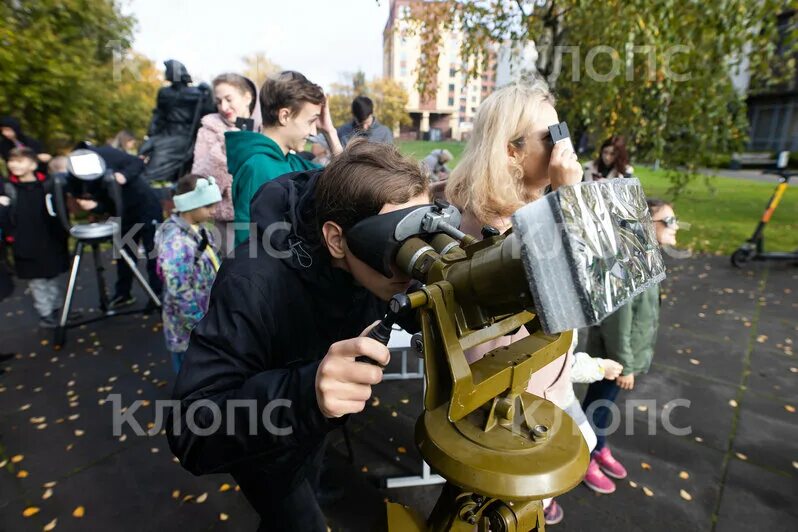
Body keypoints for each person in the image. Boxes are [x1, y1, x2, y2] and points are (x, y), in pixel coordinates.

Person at [167, 140, 428, 531]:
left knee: (308, 477)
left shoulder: (371, 269)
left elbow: (398, 305)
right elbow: (191, 427)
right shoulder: (253, 281)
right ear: (337, 239)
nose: (412, 259)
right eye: (395, 241)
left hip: (312, 430)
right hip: (265, 451)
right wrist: (306, 395)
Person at [445, 79, 583, 524]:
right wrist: (569, 201)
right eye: (550, 137)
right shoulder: (494, 227)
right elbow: (569, 294)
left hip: (536, 385)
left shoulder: (526, 207)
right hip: (507, 400)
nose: (563, 146)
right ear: (511, 151)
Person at [580, 198, 678, 495]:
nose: (676, 227)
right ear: (646, 225)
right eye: (669, 221)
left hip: (623, 357)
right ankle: (584, 455)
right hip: (615, 359)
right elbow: (617, 322)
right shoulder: (630, 264)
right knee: (597, 408)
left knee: (604, 406)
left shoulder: (646, 258)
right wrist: (625, 365)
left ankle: (598, 446)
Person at [227, 70, 343, 247]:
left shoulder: (292, 161)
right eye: (310, 121)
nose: (313, 132)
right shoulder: (257, 167)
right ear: (285, 116)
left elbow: (346, 180)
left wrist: (330, 132)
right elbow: (248, 246)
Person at [71, 143, 164, 309]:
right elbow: (104, 202)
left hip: (145, 205)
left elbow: (137, 162)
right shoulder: (78, 177)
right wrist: (94, 207)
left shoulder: (106, 153)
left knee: (153, 253)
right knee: (125, 255)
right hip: (121, 213)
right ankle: (123, 293)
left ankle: (157, 293)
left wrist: (123, 176)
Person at [156, 174, 222, 373]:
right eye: (208, 206)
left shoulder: (198, 229)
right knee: (190, 373)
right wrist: (199, 326)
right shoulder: (175, 240)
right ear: (189, 205)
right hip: (189, 326)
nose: (214, 211)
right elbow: (179, 291)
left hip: (203, 315)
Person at [0, 148, 69, 327]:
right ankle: (45, 314)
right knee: (37, 281)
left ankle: (58, 309)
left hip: (49, 238)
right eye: (11, 161)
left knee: (53, 276)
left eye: (20, 161)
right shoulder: (8, 188)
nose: (14, 165)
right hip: (24, 241)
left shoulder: (47, 184)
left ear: (33, 164)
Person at [191, 73, 258, 255]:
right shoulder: (209, 131)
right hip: (226, 223)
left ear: (247, 97)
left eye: (229, 99)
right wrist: (225, 146)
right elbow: (201, 182)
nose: (224, 107)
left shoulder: (264, 128)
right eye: (219, 101)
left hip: (263, 217)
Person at [139, 60, 215, 182]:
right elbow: (159, 114)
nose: (165, 73)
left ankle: (152, 183)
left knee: (159, 157)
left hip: (182, 135)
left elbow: (209, 111)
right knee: (144, 149)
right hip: (165, 133)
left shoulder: (196, 94)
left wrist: (209, 93)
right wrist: (151, 134)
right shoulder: (164, 92)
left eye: (168, 70)